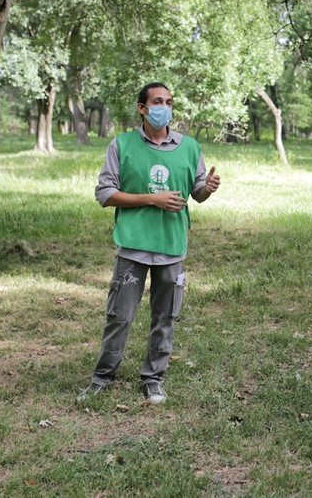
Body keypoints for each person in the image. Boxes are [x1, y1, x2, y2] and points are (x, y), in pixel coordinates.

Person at [79, 82, 221, 405]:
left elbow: (197, 194)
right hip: (133, 244)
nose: (164, 108)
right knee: (119, 316)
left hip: (171, 246)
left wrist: (208, 188)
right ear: (142, 109)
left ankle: (153, 379)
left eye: (169, 102)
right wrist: (151, 199)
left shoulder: (190, 148)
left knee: (165, 316)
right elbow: (104, 193)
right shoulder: (122, 145)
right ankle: (102, 378)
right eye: (158, 102)